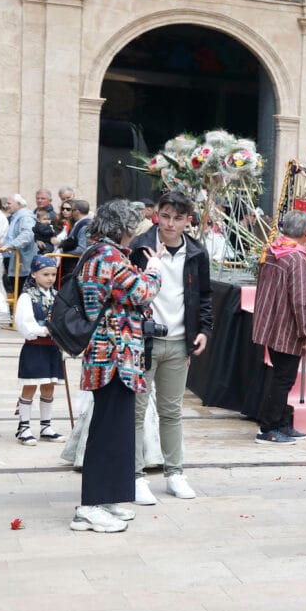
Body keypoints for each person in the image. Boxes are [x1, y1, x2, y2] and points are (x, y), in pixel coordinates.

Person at [72, 199, 163, 533]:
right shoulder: (108, 256)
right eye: (133, 226)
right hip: (112, 355)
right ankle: (88, 507)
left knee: (116, 429)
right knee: (107, 432)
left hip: (111, 355)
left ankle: (107, 497)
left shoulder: (98, 253)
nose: (135, 233)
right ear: (124, 228)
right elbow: (143, 292)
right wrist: (154, 270)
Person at [128, 191, 212, 505]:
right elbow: (129, 291)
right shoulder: (140, 247)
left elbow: (204, 295)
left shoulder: (196, 252)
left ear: (188, 219)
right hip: (143, 339)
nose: (170, 223)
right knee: (136, 412)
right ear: (156, 215)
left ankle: (175, 472)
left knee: (171, 411)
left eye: (177, 218)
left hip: (179, 340)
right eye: (165, 216)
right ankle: (135, 476)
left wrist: (204, 329)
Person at [251, 211, 306, 446]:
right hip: (287, 328)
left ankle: (281, 422)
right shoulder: (296, 258)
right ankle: (268, 427)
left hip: (272, 323)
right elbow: (301, 300)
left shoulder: (273, 250)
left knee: (281, 375)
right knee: (283, 378)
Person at [14, 256, 65, 446]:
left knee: (49, 386)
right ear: (34, 274)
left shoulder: (57, 295)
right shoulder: (27, 296)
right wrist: (44, 330)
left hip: (53, 348)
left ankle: (46, 426)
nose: (50, 278)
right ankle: (24, 427)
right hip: (35, 347)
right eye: (45, 274)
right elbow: (24, 323)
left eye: (53, 274)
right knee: (30, 386)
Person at [0, 193, 37, 299]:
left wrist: (9, 245)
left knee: (23, 295)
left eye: (9, 203)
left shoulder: (25, 217)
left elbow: (28, 235)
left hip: (24, 262)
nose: (7, 205)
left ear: (19, 204)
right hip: (18, 262)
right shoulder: (17, 217)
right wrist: (3, 244)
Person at [53, 199, 91, 279]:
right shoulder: (80, 223)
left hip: (75, 265)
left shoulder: (84, 225)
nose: (71, 213)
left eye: (72, 210)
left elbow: (82, 249)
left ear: (77, 211)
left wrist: (63, 251)